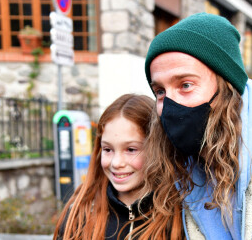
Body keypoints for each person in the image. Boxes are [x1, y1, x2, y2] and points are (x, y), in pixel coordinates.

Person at [144, 13, 252, 240]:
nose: (170, 105)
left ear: (227, 87)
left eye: (185, 85)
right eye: (160, 92)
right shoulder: (184, 166)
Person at [53, 94, 184, 240]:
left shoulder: (180, 216)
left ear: (157, 149)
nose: (116, 163)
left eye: (131, 149)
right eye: (108, 150)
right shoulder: (80, 215)